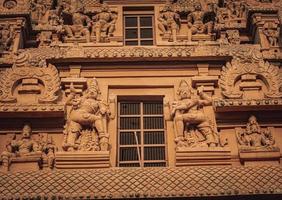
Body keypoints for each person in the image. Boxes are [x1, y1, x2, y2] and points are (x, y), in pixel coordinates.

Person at [63, 79, 111, 151]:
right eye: (90, 91)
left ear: (97, 94)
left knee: (75, 128)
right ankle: (102, 136)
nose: (92, 92)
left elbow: (103, 109)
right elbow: (68, 102)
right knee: (97, 119)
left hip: (76, 117)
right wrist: (72, 94)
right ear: (87, 92)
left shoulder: (98, 102)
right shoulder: (82, 99)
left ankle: (70, 145)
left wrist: (103, 109)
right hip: (80, 114)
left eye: (94, 91)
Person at [171, 80, 218, 147]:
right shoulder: (178, 102)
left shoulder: (194, 99)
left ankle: (180, 137)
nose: (184, 92)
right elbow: (171, 116)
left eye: (185, 88)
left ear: (190, 91)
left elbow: (209, 101)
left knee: (179, 117)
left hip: (197, 115)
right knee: (205, 128)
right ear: (179, 93)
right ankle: (212, 143)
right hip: (195, 119)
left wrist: (201, 93)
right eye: (182, 90)